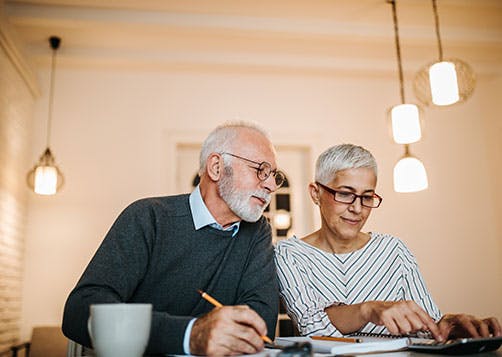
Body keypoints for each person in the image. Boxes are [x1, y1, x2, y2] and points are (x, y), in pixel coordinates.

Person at [63, 122, 285, 356]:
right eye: (260, 169)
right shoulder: (148, 217)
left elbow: (260, 325)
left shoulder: (257, 231)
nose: (270, 185)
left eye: (273, 175)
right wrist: (190, 335)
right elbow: (80, 312)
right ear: (216, 167)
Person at [275, 144, 501, 342]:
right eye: (345, 194)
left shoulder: (394, 250)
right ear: (316, 193)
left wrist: (448, 325)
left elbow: (426, 329)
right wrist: (368, 310)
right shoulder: (289, 254)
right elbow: (313, 327)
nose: (357, 208)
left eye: (367, 197)